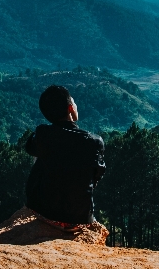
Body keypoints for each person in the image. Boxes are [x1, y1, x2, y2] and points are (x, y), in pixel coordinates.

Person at [25, 85, 106, 230]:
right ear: (70, 108)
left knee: (39, 152)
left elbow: (28, 148)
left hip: (43, 213)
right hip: (79, 218)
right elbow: (96, 176)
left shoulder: (43, 134)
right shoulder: (94, 141)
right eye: (74, 103)